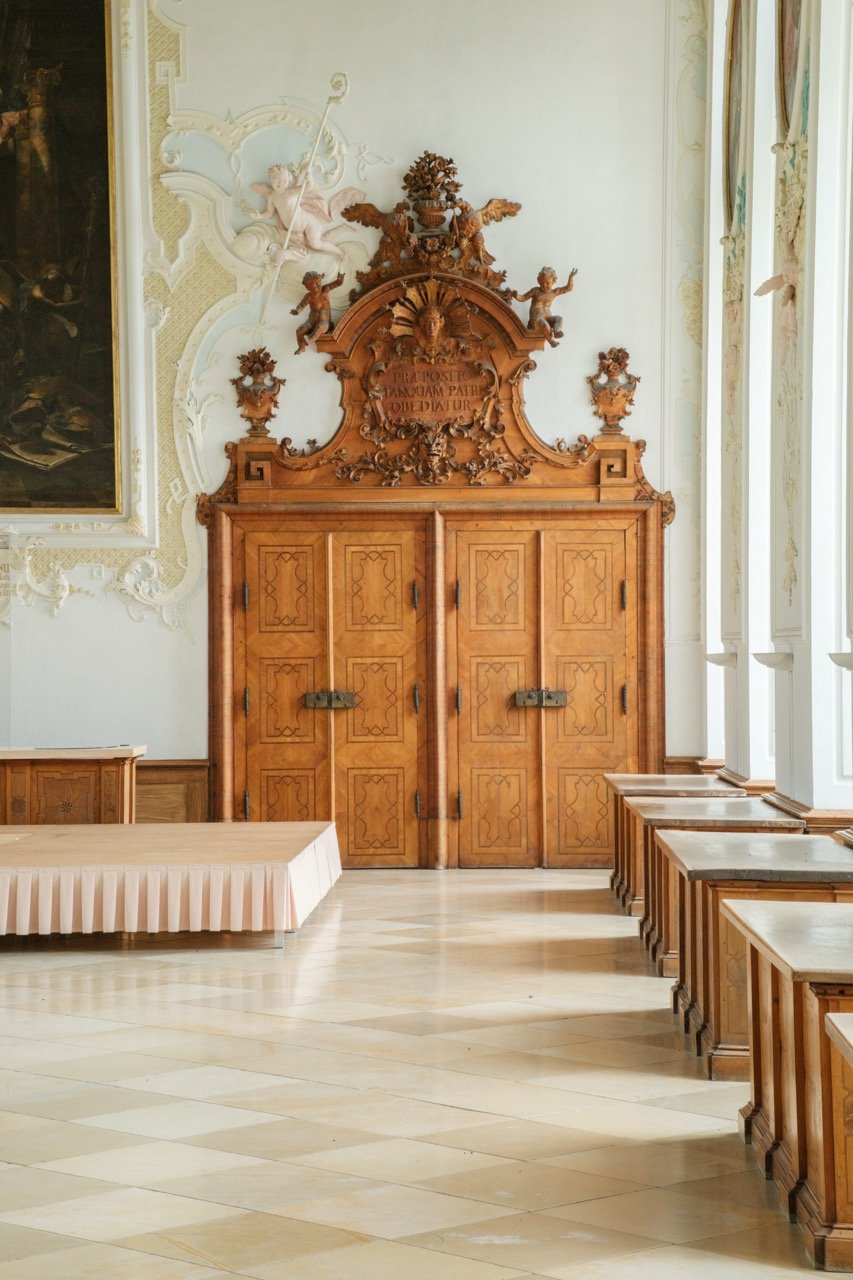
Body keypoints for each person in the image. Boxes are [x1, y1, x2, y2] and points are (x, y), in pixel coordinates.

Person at [511, 266, 577, 347]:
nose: (544, 285)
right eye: (542, 283)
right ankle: (552, 341)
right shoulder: (536, 291)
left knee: (559, 319)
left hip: (548, 318)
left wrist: (571, 277)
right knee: (545, 325)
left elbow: (568, 288)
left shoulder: (554, 292)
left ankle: (557, 331)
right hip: (536, 319)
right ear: (539, 281)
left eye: (547, 283)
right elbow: (523, 298)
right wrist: (516, 295)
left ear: (553, 281)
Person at [291, 270, 343, 353]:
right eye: (313, 286)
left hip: (325, 322)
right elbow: (301, 305)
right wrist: (297, 311)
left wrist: (339, 281)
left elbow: (336, 284)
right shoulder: (309, 296)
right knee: (299, 331)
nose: (316, 286)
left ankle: (309, 339)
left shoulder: (325, 289)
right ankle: (301, 347)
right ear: (308, 288)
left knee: (319, 328)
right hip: (311, 322)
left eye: (318, 283)